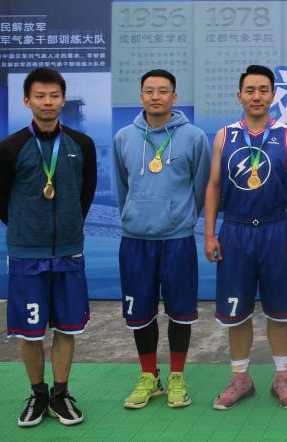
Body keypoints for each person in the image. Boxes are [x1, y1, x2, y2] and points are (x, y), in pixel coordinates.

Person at [0, 68, 96, 427]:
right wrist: (26, 228)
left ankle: (60, 393)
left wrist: (68, 226)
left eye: (54, 96)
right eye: (40, 96)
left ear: (63, 100)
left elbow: (85, 194)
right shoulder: (8, 148)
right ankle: (38, 394)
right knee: (30, 331)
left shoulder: (82, 145)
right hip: (26, 254)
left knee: (67, 328)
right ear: (27, 100)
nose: (47, 102)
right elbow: (0, 197)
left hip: (69, 251)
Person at [203, 65, 287, 410]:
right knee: (237, 313)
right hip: (235, 232)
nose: (257, 96)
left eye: (263, 90)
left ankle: (282, 378)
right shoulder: (224, 136)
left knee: (279, 312)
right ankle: (240, 378)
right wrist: (209, 234)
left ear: (273, 96)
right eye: (250, 90)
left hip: (276, 231)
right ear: (239, 96)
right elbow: (214, 186)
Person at [112, 69, 210, 409]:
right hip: (135, 240)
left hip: (177, 239)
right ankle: (149, 376)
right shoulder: (124, 137)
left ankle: (177, 376)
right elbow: (121, 188)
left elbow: (200, 187)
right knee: (141, 313)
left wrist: (181, 218)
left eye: (163, 91)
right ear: (141, 96)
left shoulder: (194, 137)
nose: (156, 96)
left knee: (180, 312)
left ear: (174, 96)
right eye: (149, 91)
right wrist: (134, 217)